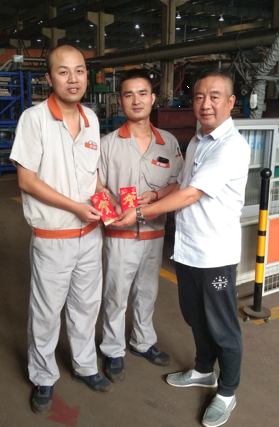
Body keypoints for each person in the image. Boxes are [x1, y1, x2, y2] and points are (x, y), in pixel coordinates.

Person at [114, 69, 249, 427]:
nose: (206, 104)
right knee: (195, 317)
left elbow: (191, 194)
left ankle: (227, 391)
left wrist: (138, 212)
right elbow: (182, 183)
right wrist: (156, 194)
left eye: (215, 97)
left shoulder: (230, 147)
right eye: (199, 97)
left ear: (231, 102)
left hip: (215, 254)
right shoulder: (199, 140)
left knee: (223, 326)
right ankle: (204, 370)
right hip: (189, 250)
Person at [9, 45, 112, 415]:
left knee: (87, 305)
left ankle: (85, 366)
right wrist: (75, 207)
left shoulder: (91, 119)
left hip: (90, 235)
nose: (73, 79)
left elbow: (92, 174)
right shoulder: (34, 119)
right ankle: (43, 375)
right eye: (63, 71)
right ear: (49, 78)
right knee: (47, 311)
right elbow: (26, 180)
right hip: (53, 237)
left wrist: (105, 201)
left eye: (80, 71)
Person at [98, 69, 183, 382]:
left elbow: (178, 183)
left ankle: (142, 342)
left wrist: (157, 195)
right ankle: (113, 350)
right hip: (119, 234)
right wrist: (111, 209)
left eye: (142, 93)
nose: (136, 100)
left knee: (147, 291)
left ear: (152, 98)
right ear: (120, 101)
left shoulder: (168, 142)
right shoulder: (107, 144)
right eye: (129, 94)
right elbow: (95, 185)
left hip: (154, 232)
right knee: (116, 293)